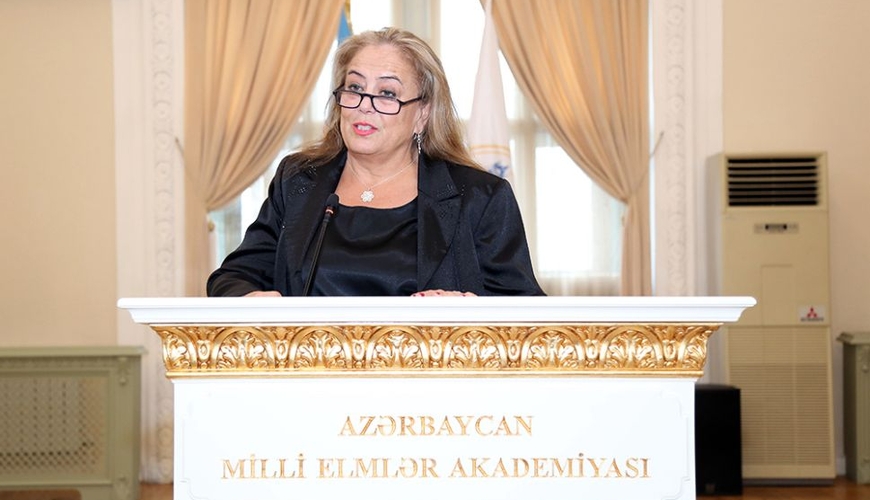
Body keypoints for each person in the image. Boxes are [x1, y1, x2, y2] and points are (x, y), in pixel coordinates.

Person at [207, 27, 543, 298]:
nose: (364, 105)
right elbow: (233, 278)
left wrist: (469, 311)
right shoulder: (298, 182)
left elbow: (525, 315)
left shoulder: (480, 198)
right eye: (354, 87)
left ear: (422, 114)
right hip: (309, 364)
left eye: (387, 93)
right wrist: (252, 300)